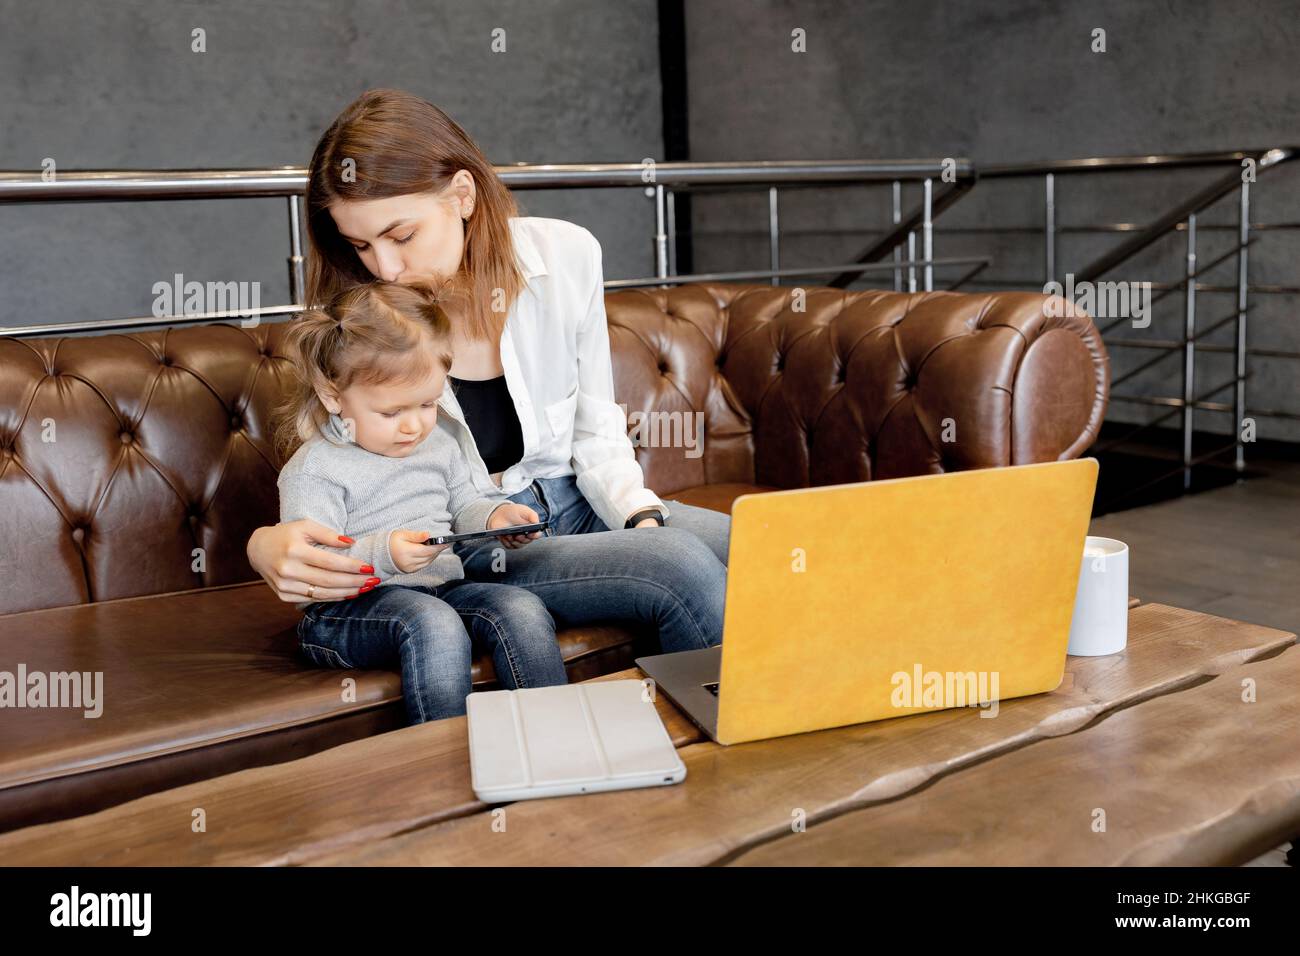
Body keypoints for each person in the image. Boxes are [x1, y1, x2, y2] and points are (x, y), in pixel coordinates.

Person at [247, 87, 728, 657]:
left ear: (462, 195)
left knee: (779, 546)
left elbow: (597, 427)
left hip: (576, 501)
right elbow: (339, 465)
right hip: (480, 537)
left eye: (401, 235)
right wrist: (262, 544)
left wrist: (638, 517)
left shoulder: (567, 254)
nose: (386, 268)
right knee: (679, 566)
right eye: (361, 246)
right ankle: (697, 740)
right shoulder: (368, 322)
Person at [273, 279, 567, 724]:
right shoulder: (315, 469)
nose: (414, 426)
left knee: (521, 608)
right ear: (333, 396)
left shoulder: (441, 442)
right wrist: (383, 553)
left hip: (441, 589)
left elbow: (465, 502)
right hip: (343, 612)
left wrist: (496, 516)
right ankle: (442, 758)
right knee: (432, 622)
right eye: (391, 413)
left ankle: (552, 737)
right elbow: (315, 564)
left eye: (428, 404)